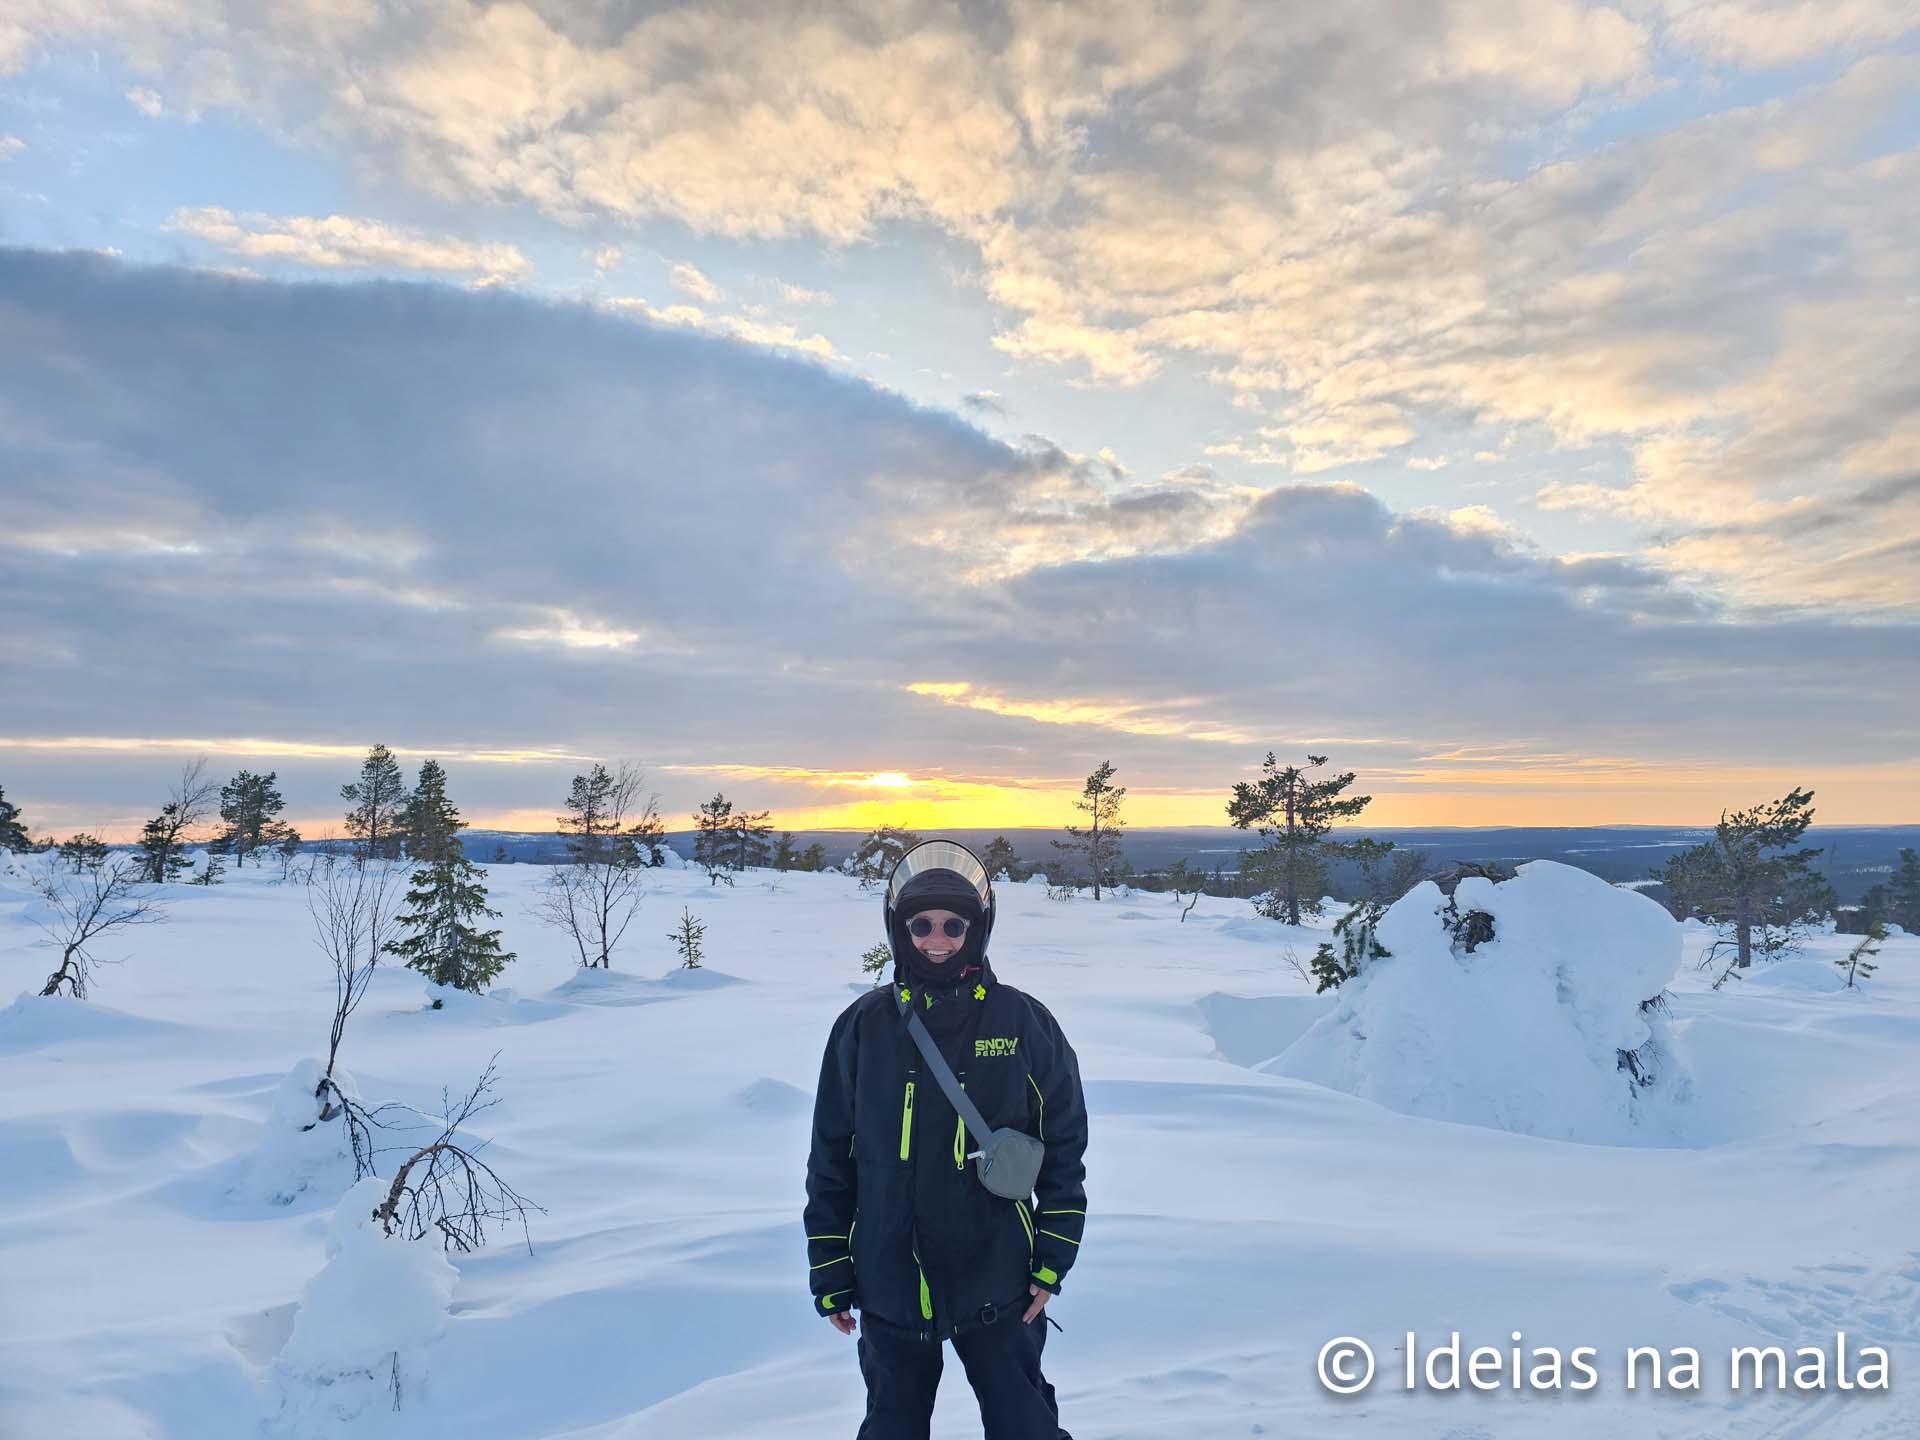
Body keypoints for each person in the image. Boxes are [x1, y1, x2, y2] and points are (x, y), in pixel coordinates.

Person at [805, 839, 1088, 1439]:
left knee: (1025, 1425)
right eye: (922, 924)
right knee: (892, 1428)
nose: (937, 938)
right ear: (899, 929)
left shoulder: (1022, 1023)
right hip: (890, 1285)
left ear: (978, 929)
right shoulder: (864, 1027)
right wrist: (830, 1268)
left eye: (954, 925)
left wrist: (1051, 1264)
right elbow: (831, 1157)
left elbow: (1064, 1150)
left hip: (999, 1282)